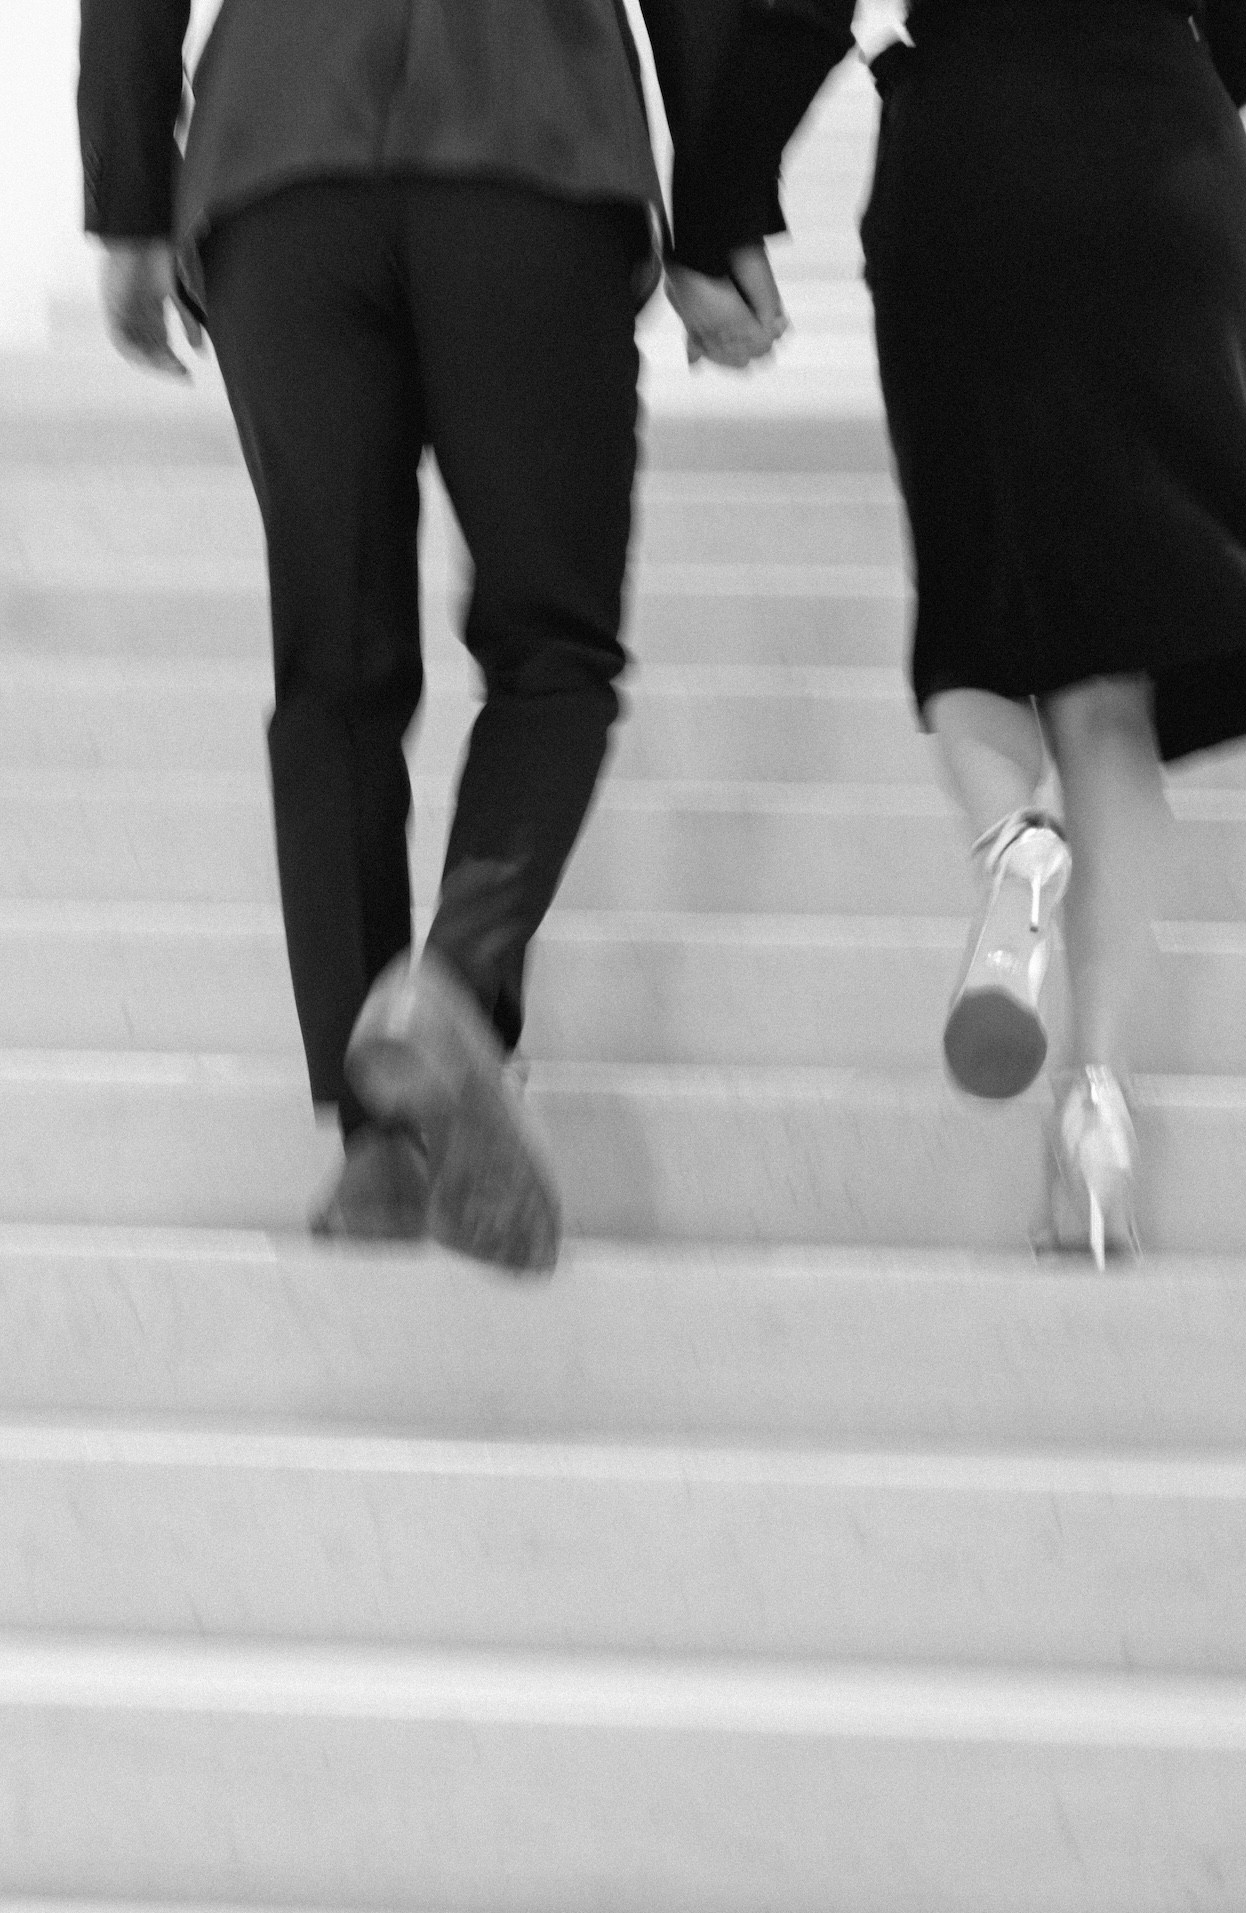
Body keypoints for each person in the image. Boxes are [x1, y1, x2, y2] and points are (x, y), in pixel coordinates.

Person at [77, 0, 852, 1271]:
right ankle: (450, 980)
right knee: (555, 654)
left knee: (332, 674)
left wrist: (127, 199)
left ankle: (378, 1149)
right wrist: (719, 217)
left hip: (281, 160)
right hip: (534, 150)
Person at [852, 0, 1246, 1264]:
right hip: (1159, 150)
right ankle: (1097, 1105)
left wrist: (730, 190)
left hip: (964, 148)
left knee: (973, 606)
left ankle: (1012, 844)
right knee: (1110, 675)